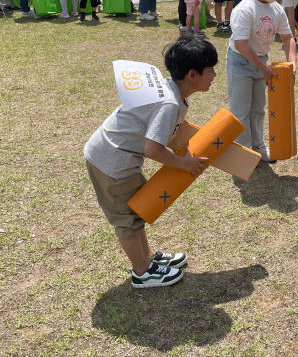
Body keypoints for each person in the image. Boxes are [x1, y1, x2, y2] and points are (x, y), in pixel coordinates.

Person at [84, 36, 218, 288]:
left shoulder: (172, 93)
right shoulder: (168, 103)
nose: (213, 75)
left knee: (136, 211)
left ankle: (147, 257)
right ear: (192, 74)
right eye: (211, 70)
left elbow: (170, 135)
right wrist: (185, 165)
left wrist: (186, 151)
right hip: (112, 161)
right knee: (126, 218)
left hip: (118, 157)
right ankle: (142, 272)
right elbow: (153, 148)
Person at [227, 0, 297, 162]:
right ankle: (245, 153)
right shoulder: (245, 9)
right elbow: (241, 44)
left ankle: (258, 146)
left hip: (261, 62)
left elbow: (288, 37)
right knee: (241, 111)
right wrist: (263, 68)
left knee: (258, 109)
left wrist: (291, 63)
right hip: (240, 63)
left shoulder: (276, 9)